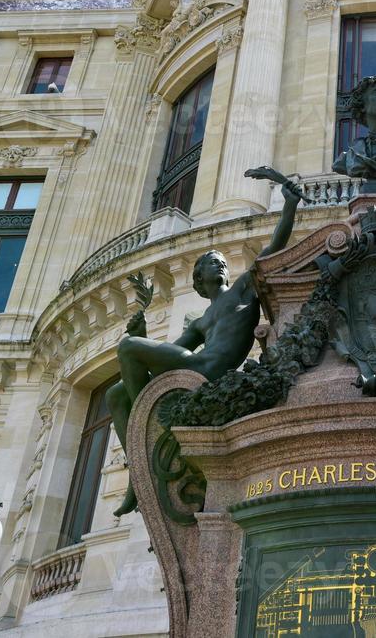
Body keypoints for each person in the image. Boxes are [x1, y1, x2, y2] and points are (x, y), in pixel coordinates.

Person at [107, 175, 302, 515]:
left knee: (129, 348)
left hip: (209, 370)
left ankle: (148, 428)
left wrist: (290, 204)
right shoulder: (200, 321)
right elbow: (166, 360)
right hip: (195, 366)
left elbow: (274, 247)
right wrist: (142, 335)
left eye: (222, 262)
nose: (220, 263)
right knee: (114, 393)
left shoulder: (243, 289)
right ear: (198, 278)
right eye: (212, 262)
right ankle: (139, 472)